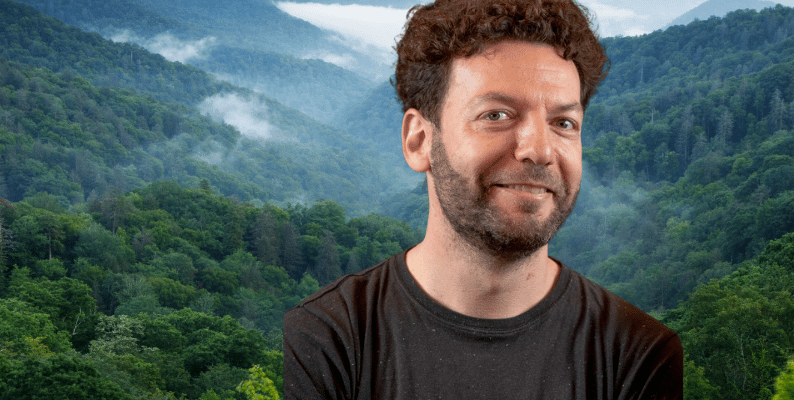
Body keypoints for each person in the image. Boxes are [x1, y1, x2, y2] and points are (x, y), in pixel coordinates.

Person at [282, 0, 684, 398]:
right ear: (419, 141)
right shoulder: (329, 338)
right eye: (496, 115)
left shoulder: (639, 354)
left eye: (563, 122)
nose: (539, 150)